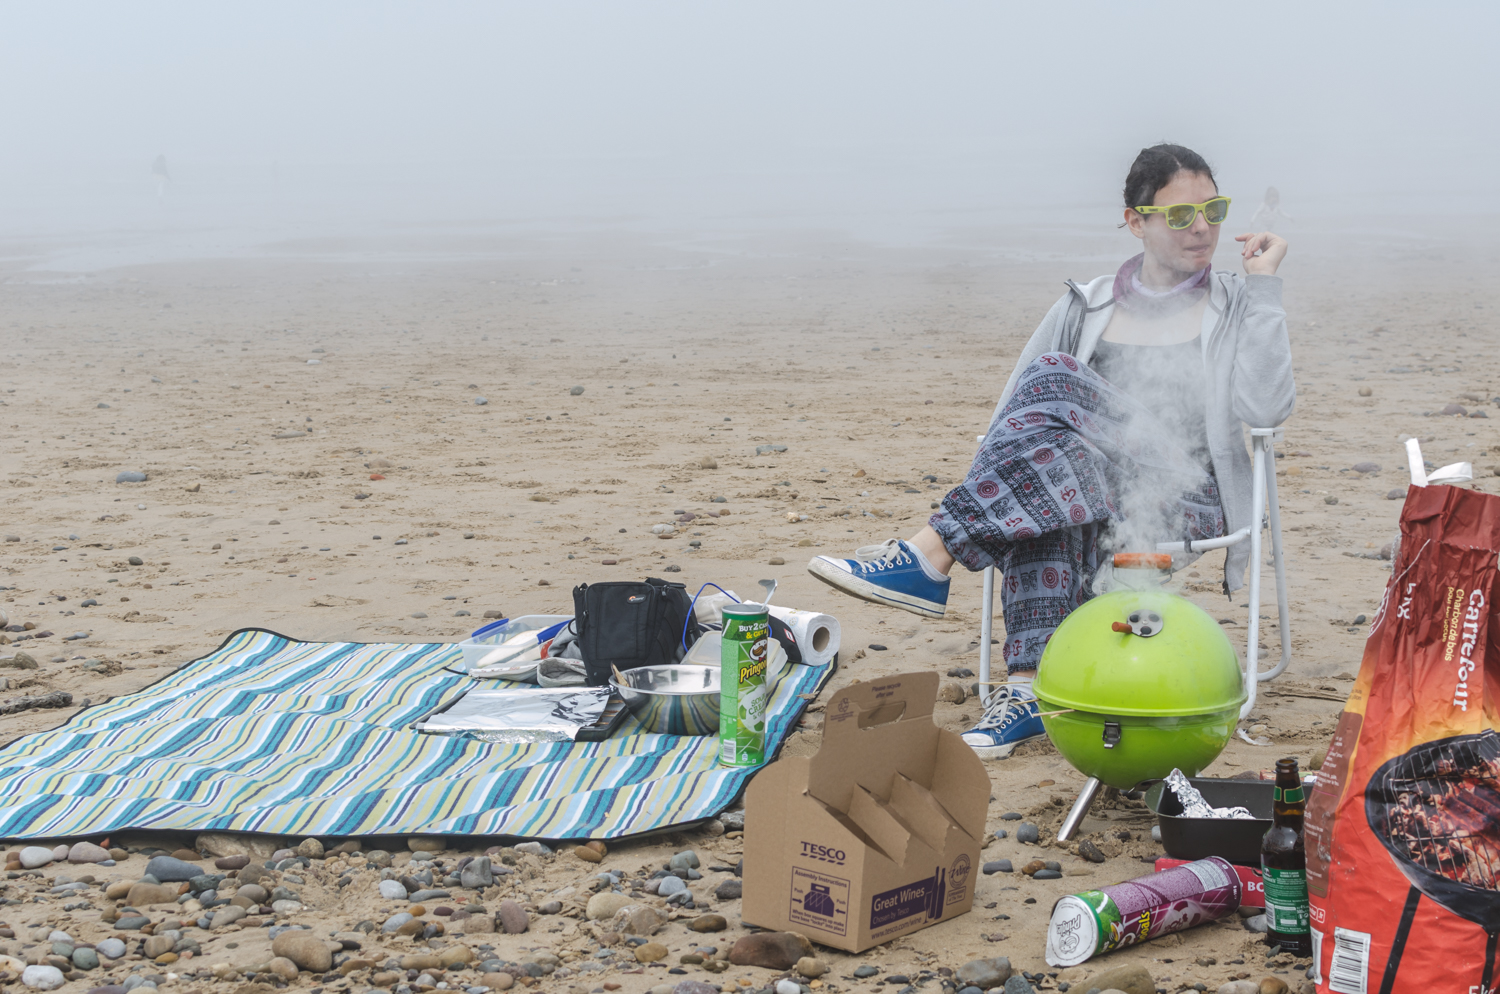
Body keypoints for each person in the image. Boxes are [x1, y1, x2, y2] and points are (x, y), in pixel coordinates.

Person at [808, 144, 1294, 759]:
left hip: (1185, 499)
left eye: (1213, 209)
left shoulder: (1235, 304)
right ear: (1135, 221)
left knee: (1059, 377)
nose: (1202, 229)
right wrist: (1018, 481)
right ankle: (1028, 691)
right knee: (1058, 470)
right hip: (1085, 488)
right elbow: (1016, 420)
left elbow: (1267, 411)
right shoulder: (1085, 305)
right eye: (1179, 216)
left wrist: (1265, 288)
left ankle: (928, 556)